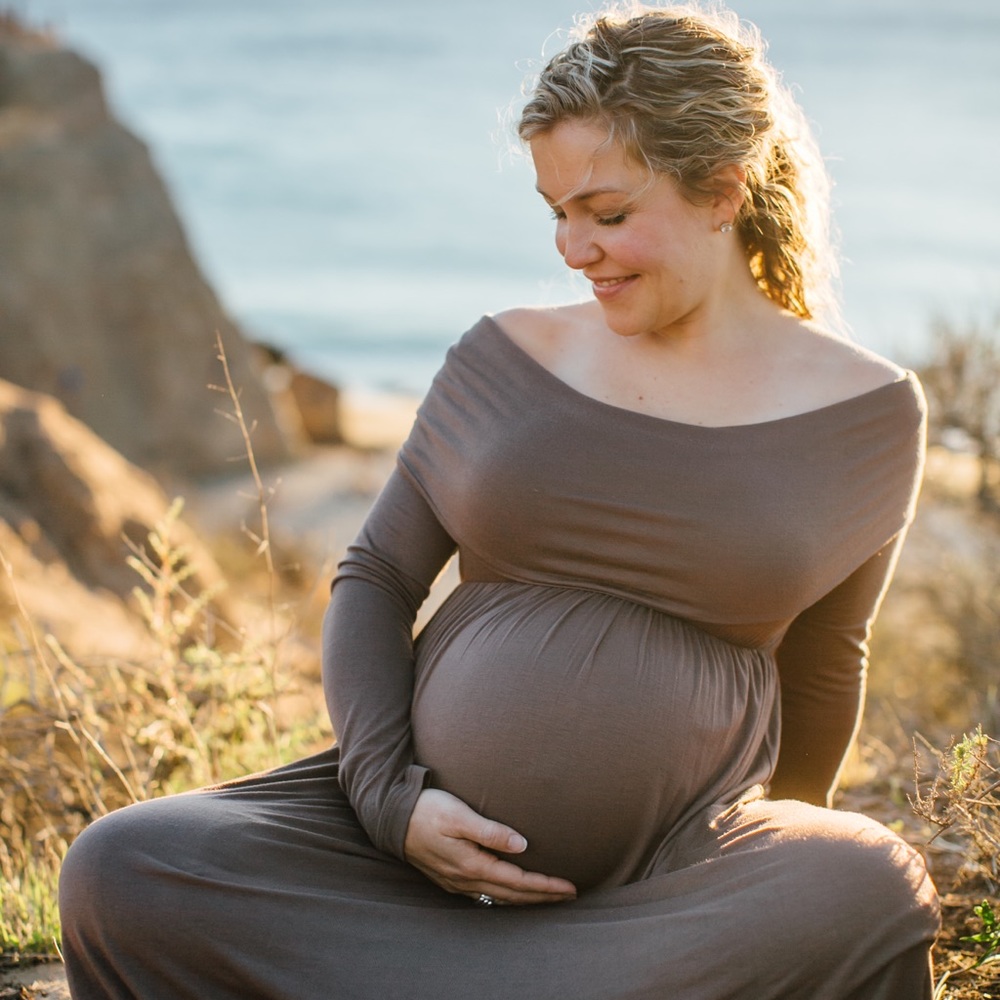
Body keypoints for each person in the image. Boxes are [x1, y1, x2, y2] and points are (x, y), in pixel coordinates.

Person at [59, 4, 940, 997]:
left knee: (867, 884)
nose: (573, 247)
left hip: (656, 893)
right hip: (391, 865)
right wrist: (391, 800)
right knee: (122, 866)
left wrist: (751, 875)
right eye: (555, 212)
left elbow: (826, 663)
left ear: (723, 191)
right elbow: (377, 575)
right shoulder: (505, 356)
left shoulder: (863, 414)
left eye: (606, 213)